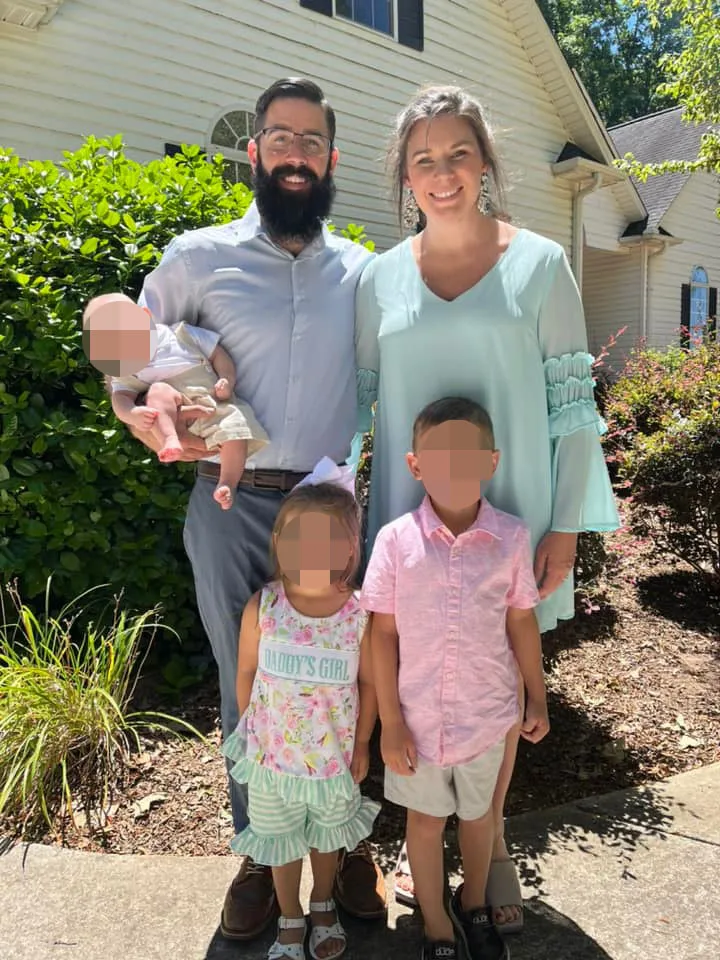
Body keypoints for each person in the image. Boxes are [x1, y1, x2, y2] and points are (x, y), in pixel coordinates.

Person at [124, 77, 386, 940]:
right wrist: (139, 404)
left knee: (343, 676)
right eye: (281, 138)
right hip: (228, 503)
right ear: (255, 150)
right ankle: (259, 849)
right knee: (249, 684)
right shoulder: (198, 256)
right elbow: (127, 343)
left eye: (312, 141)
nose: (296, 155)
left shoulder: (363, 271)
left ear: (332, 158)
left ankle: (343, 843)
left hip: (327, 508)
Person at [355, 85, 620, 931]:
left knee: (494, 683)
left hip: (517, 514)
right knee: (417, 678)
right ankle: (425, 836)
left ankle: (492, 843)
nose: (443, 174)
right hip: (409, 528)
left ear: (486, 164)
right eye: (424, 159)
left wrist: (566, 527)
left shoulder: (542, 265)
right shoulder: (377, 279)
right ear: (405, 175)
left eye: (459, 154)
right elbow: (359, 410)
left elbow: (572, 407)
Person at [361, 397, 549, 960]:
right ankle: (438, 925)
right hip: (417, 724)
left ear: (491, 461)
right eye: (439, 456)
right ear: (415, 465)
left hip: (487, 716)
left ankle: (474, 904)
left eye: (466, 455)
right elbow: (382, 635)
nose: (453, 467)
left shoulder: (511, 537)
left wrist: (536, 696)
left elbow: (521, 621)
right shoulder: (396, 540)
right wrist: (391, 724)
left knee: (479, 817)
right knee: (424, 822)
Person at [223, 475, 380, 960]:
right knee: (280, 841)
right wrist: (249, 730)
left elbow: (370, 684)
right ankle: (289, 914)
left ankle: (322, 902)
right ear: (278, 541)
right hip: (273, 763)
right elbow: (245, 671)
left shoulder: (360, 615)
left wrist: (362, 743)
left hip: (333, 762)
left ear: (350, 546)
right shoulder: (264, 606)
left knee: (326, 841)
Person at [84, 294, 268, 509]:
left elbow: (218, 354)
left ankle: (227, 482)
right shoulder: (126, 369)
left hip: (214, 407)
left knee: (235, 429)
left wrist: (227, 379)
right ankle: (171, 439)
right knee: (158, 392)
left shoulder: (181, 334)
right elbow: (120, 399)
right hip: (174, 415)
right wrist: (132, 414)